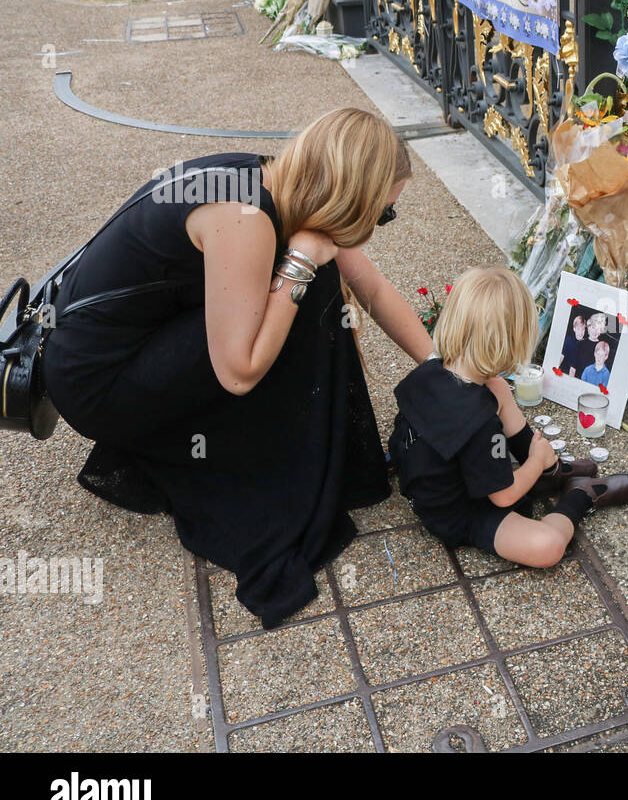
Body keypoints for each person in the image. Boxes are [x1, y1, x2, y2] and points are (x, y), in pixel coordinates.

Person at [44, 108, 431, 628]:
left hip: (119, 343)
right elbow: (239, 371)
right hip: (98, 384)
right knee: (305, 287)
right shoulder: (246, 220)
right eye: (383, 215)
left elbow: (374, 289)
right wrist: (298, 266)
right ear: (351, 199)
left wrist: (442, 369)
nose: (379, 226)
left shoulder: (278, 178)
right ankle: (282, 468)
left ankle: (280, 445)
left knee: (306, 279)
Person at [388, 267, 628, 568]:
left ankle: (552, 472)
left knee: (496, 386)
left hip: (443, 482)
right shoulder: (481, 423)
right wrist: (534, 461)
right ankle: (580, 493)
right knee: (547, 547)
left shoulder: (428, 371)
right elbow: (503, 497)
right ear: (512, 342)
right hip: (462, 512)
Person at [559, 312, 590, 377]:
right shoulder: (569, 340)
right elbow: (561, 356)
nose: (580, 332)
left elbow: (575, 367)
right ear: (574, 329)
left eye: (583, 329)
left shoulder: (585, 344)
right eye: (578, 329)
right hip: (563, 372)